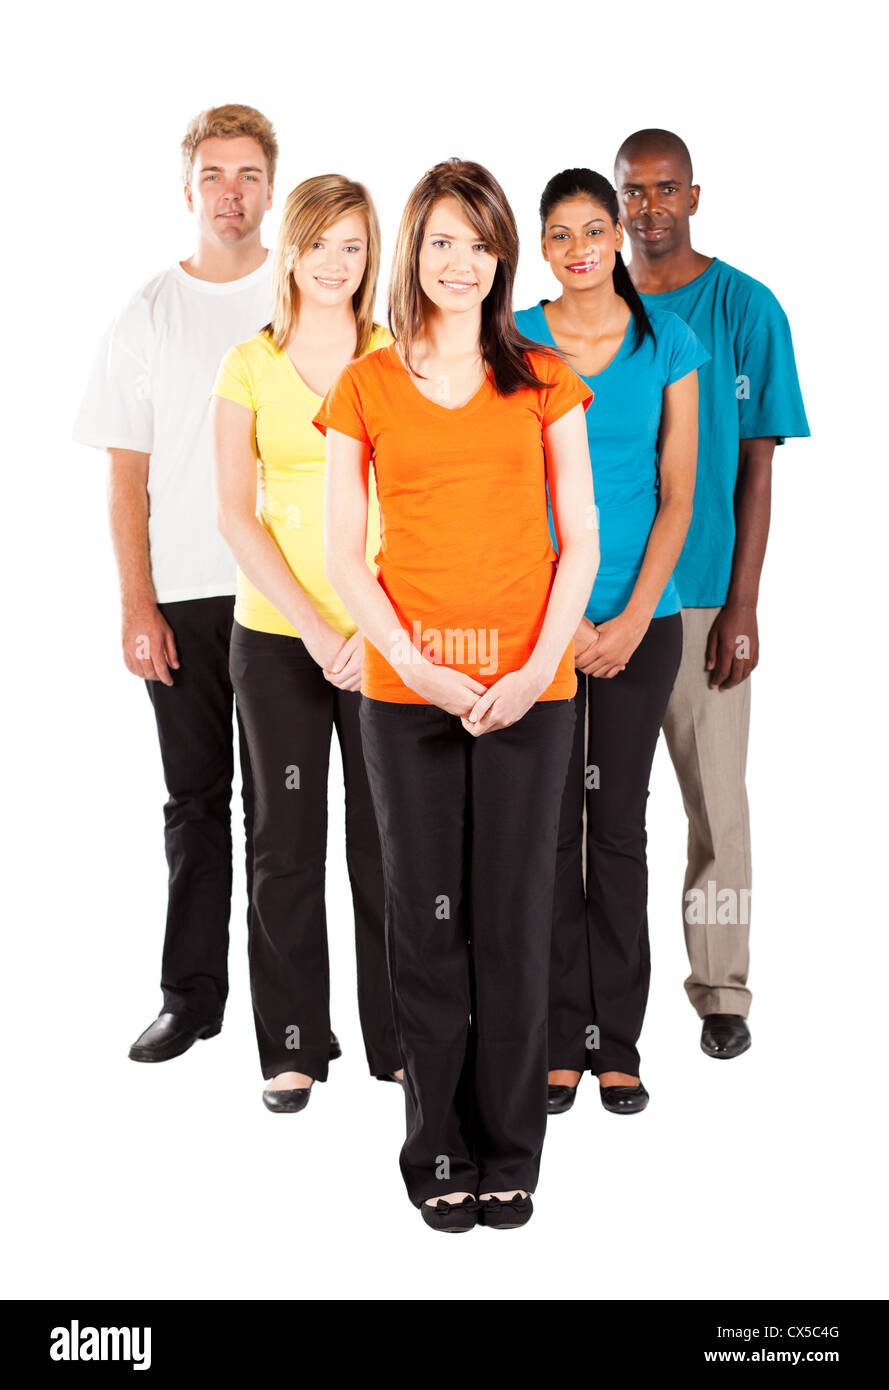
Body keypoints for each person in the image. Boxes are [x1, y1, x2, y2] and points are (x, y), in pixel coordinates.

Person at [314, 157, 598, 1232]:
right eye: (440, 240)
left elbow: (582, 540)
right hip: (405, 690)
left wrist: (531, 672)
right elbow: (346, 557)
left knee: (517, 922)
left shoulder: (541, 374)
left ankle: (510, 1149)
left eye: (478, 242)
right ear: (412, 253)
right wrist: (424, 669)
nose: (460, 262)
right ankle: (436, 1144)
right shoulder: (368, 385)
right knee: (425, 924)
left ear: (499, 256)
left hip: (535, 690)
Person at [71, 105, 285, 1064]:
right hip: (189, 598)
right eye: (213, 174)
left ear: (271, 186)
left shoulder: (306, 290)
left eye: (247, 173)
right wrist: (135, 605)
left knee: (289, 812)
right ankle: (190, 997)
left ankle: (293, 1014)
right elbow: (126, 472)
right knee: (195, 802)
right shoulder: (147, 311)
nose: (229, 191)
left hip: (290, 596)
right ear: (188, 188)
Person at [515, 168, 708, 1115]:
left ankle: (616, 1045)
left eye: (595, 228)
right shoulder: (514, 338)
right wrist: (564, 619)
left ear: (616, 236)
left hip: (644, 620)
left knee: (618, 830)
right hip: (537, 622)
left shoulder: (665, 341)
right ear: (542, 247)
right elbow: (504, 488)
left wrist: (629, 619)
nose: (581, 246)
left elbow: (679, 494)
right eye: (560, 233)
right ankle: (558, 1041)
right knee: (547, 831)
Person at [615, 128, 810, 1057]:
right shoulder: (593, 309)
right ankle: (588, 994)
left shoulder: (745, 308)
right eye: (632, 191)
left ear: (693, 196)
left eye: (664, 189)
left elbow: (757, 472)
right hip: (605, 605)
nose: (648, 206)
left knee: (715, 809)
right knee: (592, 815)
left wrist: (742, 606)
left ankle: (722, 990)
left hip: (698, 603)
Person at [210, 175, 402, 1111]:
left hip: (383, 640)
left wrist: (373, 629)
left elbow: (417, 502)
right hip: (280, 639)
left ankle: (397, 1039)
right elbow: (236, 517)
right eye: (319, 243)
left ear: (373, 261)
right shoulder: (246, 365)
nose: (334, 263)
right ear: (290, 249)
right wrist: (322, 629)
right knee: (285, 844)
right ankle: (291, 1045)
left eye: (353, 247)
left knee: (388, 845)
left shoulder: (394, 357)